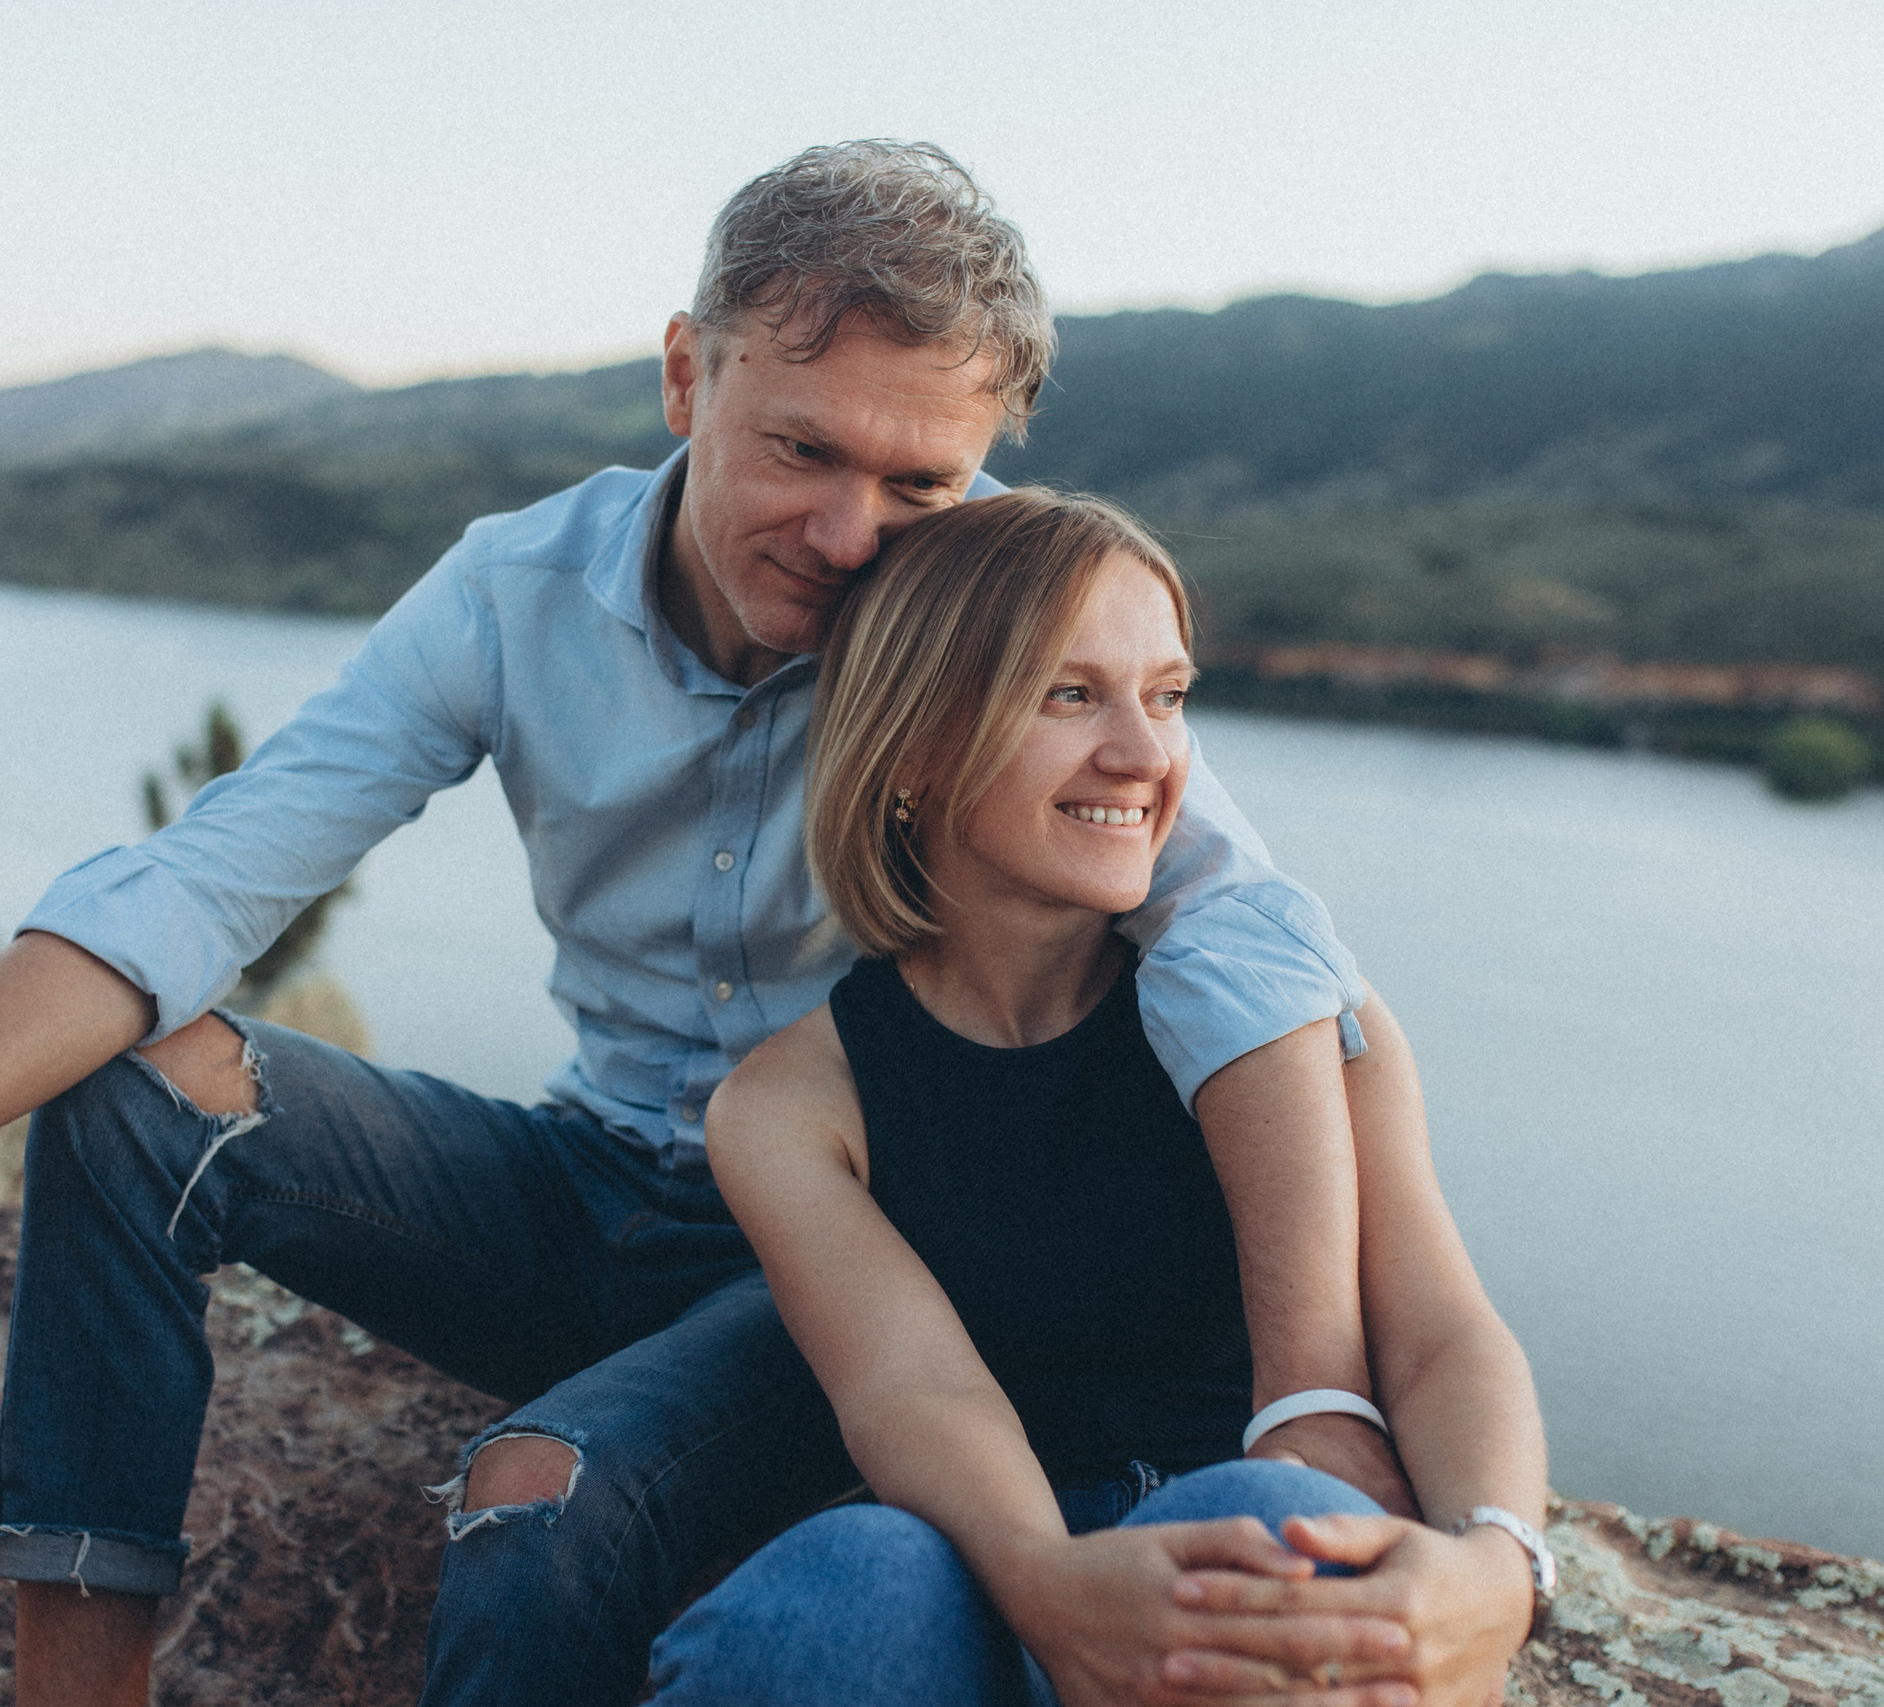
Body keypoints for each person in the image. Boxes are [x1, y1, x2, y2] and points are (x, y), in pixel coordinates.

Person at [0, 142, 1415, 1707]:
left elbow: (1246, 942)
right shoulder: (517, 588)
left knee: (543, 1494)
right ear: (686, 374)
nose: (845, 535)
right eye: (801, 447)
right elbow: (204, 878)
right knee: (140, 1091)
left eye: (920, 489)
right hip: (581, 1183)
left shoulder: (992, 654)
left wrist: (1312, 1396)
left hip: (838, 1267)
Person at [649, 489, 1552, 1707]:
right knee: (839, 1592)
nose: (1145, 755)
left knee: (1274, 1522)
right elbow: (914, 1389)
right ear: (911, 745)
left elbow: (1441, 1335)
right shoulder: (790, 1104)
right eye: (1070, 695)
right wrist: (1047, 1583)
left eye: (1167, 695)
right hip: (991, 1556)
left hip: (1231, 1558)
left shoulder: (1293, 1021)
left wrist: (1501, 1567)